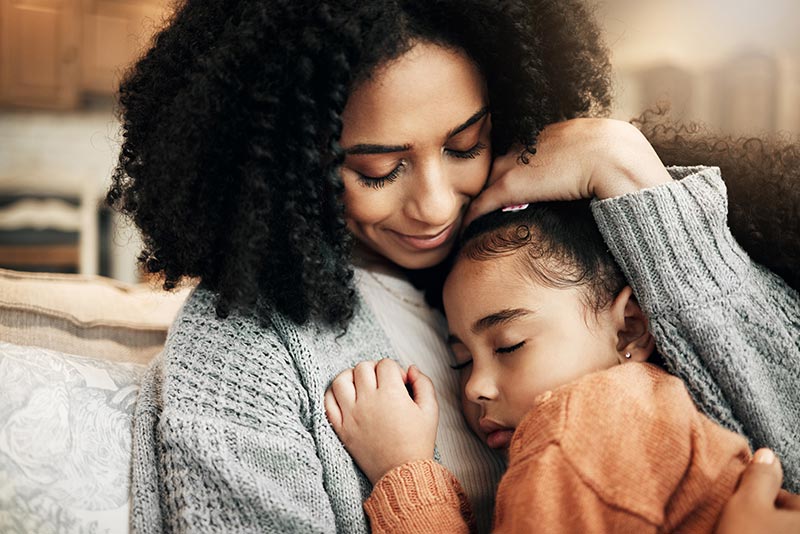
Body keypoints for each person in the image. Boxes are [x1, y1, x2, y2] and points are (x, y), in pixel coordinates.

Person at [107, 0, 800, 531]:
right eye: (380, 170)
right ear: (287, 166)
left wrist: (626, 170)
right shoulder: (241, 354)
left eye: (466, 145)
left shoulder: (568, 245)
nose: (437, 204)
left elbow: (784, 452)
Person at [325, 184, 800, 531]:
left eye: (509, 345)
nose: (473, 387)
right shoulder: (654, 412)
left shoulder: (573, 428)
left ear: (629, 328)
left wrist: (402, 470)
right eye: (462, 361)